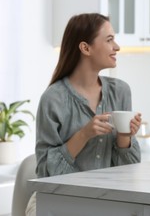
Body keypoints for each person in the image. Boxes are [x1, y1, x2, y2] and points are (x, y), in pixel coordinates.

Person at [25, 13, 141, 215]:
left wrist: (125, 136)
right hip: (55, 200)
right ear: (85, 48)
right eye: (109, 39)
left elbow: (127, 173)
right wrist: (84, 134)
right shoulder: (53, 99)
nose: (117, 47)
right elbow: (44, 172)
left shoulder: (120, 91)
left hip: (104, 201)